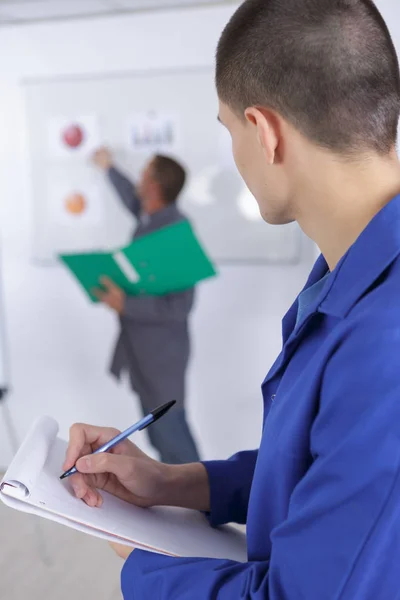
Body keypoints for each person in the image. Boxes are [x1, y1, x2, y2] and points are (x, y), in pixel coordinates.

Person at [65, 0, 400, 597]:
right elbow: (317, 474)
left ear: (265, 132)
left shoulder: (384, 340)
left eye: (228, 131)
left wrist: (134, 552)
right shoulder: (346, 271)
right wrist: (170, 483)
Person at [92, 148, 200, 465]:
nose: (138, 177)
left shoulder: (176, 233)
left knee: (172, 436)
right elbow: (130, 197)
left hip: (162, 357)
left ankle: (208, 511)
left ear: (153, 185)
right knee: (157, 434)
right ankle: (184, 506)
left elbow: (179, 308)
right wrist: (109, 168)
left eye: (143, 172)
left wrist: (126, 304)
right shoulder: (151, 214)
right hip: (141, 351)